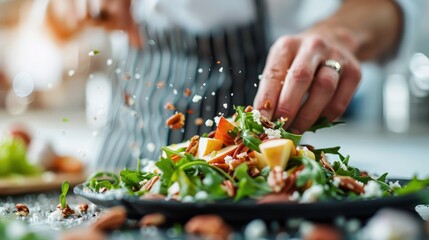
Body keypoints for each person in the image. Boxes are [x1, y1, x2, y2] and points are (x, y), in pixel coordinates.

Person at [46, 0, 421, 170]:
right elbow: (51, 21)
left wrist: (340, 34)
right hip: (118, 170)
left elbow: (394, 8)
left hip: (244, 201)